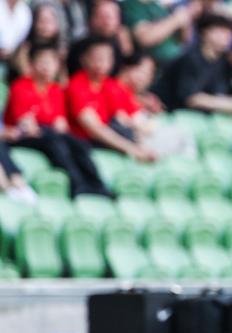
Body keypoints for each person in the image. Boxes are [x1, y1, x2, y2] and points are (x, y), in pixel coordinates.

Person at [3, 43, 111, 197]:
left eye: (51, 63)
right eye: (42, 62)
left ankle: (97, 185)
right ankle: (77, 185)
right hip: (22, 136)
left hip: (47, 133)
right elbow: (25, 124)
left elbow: (61, 124)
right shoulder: (21, 86)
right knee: (55, 143)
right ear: (32, 64)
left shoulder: (55, 90)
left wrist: (56, 128)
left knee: (77, 144)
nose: (46, 67)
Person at [154, 15, 232, 116]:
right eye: (222, 31)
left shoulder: (224, 62)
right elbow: (191, 98)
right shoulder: (190, 59)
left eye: (229, 32)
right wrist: (230, 104)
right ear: (205, 32)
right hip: (167, 112)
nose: (227, 36)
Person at [66, 36, 157, 163]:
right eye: (97, 58)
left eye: (107, 58)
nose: (102, 63)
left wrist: (141, 143)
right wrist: (132, 149)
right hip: (86, 140)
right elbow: (94, 128)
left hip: (113, 135)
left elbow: (125, 118)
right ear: (84, 59)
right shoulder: (76, 86)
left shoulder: (110, 85)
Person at [121, 0, 200, 65]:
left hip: (179, 60)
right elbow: (145, 38)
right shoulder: (132, 5)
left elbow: (185, 40)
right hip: (156, 65)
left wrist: (186, 22)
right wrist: (176, 19)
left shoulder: (157, 6)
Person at [67, 0, 133, 75]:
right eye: (102, 17)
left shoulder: (123, 44)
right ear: (92, 19)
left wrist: (127, 52)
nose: (106, 22)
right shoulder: (80, 48)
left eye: (111, 17)